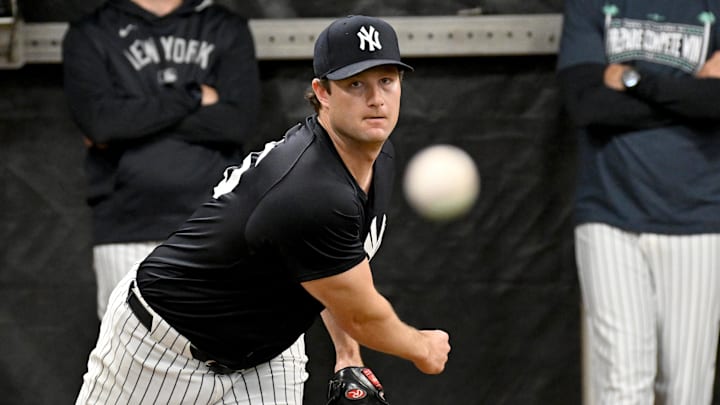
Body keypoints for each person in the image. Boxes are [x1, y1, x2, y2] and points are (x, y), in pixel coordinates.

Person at [75, 15, 451, 404]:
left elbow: (339, 268)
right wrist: (421, 348)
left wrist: (348, 355)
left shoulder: (373, 155)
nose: (376, 99)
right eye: (355, 84)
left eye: (386, 80)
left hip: (266, 357)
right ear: (322, 92)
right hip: (160, 350)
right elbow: (362, 315)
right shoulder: (311, 188)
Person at [557, 1, 720, 404]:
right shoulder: (591, 5)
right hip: (610, 214)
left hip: (697, 218)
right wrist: (688, 97)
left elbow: (715, 103)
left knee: (686, 392)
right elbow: (587, 104)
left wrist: (632, 79)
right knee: (621, 385)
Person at [62, 0, 261, 319]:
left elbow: (235, 123)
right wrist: (193, 96)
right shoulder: (91, 32)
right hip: (127, 226)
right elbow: (101, 123)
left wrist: (132, 117)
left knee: (220, 354)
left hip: (214, 226)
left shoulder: (223, 26)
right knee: (128, 359)